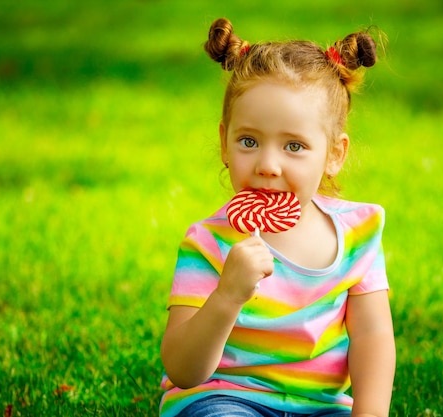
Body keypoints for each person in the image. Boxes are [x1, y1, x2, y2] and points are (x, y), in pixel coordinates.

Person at [160, 17, 395, 417]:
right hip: (225, 398)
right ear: (224, 142)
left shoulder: (358, 234)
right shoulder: (209, 243)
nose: (268, 164)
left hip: (320, 407)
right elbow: (183, 370)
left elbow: (373, 338)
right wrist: (227, 295)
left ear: (334, 155)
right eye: (249, 141)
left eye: (294, 146)